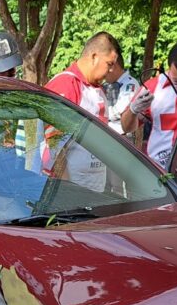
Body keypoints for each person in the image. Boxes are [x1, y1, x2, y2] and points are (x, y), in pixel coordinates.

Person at [42, 31, 120, 191]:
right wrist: (68, 190)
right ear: (94, 56)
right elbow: (55, 145)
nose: (112, 70)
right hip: (70, 191)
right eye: (109, 64)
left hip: (93, 187)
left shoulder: (97, 89)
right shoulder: (66, 85)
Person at [121, 38, 177, 168]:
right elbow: (126, 128)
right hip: (162, 171)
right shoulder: (154, 87)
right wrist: (133, 109)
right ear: (169, 69)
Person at [101, 37, 139, 135]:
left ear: (113, 66)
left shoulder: (130, 85)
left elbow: (120, 111)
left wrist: (98, 112)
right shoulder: (106, 85)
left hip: (120, 137)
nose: (103, 73)